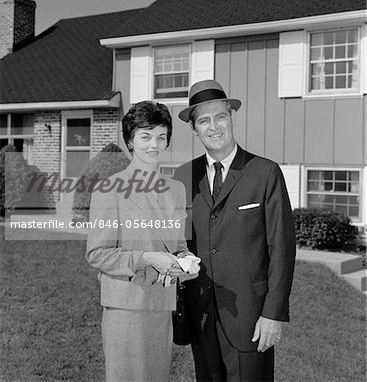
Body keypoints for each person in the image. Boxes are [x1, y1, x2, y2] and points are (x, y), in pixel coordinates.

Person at [174, 80, 296, 382]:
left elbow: (281, 248)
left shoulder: (265, 172)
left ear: (232, 117)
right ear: (194, 128)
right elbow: (177, 241)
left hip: (251, 317)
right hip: (200, 314)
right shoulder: (183, 176)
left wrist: (272, 314)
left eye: (220, 117)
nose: (213, 127)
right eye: (203, 120)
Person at [86, 101, 196, 382]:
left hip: (161, 307)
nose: (154, 144)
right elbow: (98, 253)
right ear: (130, 141)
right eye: (145, 136)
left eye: (161, 136)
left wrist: (186, 263)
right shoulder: (109, 188)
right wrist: (145, 258)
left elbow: (178, 244)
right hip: (125, 308)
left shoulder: (176, 189)